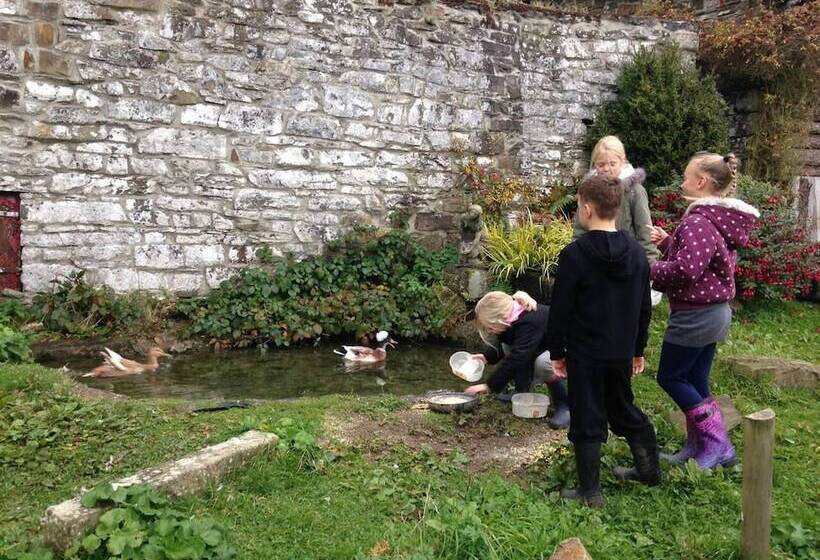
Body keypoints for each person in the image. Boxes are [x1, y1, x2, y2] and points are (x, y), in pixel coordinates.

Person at [547, 173, 659, 507]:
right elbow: (643, 309)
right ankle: (649, 470)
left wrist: (557, 351)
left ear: (587, 209)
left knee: (587, 413)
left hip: (585, 353)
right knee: (622, 406)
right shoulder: (637, 254)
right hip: (620, 351)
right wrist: (638, 350)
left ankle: (590, 492)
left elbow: (561, 310)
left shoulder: (575, 254)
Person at [649, 153, 758, 470]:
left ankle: (718, 446)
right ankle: (698, 446)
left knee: (671, 377)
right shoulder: (717, 220)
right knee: (695, 378)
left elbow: (686, 271)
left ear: (702, 182)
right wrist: (669, 241)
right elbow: (705, 262)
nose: (682, 182)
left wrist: (647, 270)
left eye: (685, 177)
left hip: (695, 316)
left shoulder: (698, 220)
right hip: (714, 313)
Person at [574, 135, 662, 305]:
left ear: (623, 161)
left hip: (625, 263)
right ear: (594, 165)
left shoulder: (635, 191)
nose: (607, 169)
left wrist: (650, 271)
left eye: (612, 164)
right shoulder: (588, 191)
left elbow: (645, 232)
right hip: (594, 262)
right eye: (601, 165)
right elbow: (579, 230)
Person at [463, 291, 570, 429]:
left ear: (501, 317)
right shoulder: (513, 315)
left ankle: (564, 406)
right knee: (512, 349)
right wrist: (486, 357)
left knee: (543, 364)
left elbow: (518, 357)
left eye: (490, 327)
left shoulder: (530, 321)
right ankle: (522, 393)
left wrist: (489, 385)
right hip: (543, 345)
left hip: (570, 350)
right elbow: (508, 343)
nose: (489, 331)